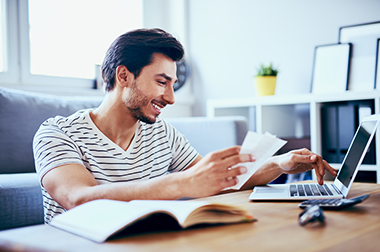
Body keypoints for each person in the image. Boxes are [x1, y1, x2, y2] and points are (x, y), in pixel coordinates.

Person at [33, 28, 337, 223]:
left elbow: (219, 179)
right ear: (123, 76)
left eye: (173, 84)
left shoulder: (161, 133)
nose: (171, 98)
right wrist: (181, 183)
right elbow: (77, 199)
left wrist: (280, 164)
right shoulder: (57, 132)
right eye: (162, 82)